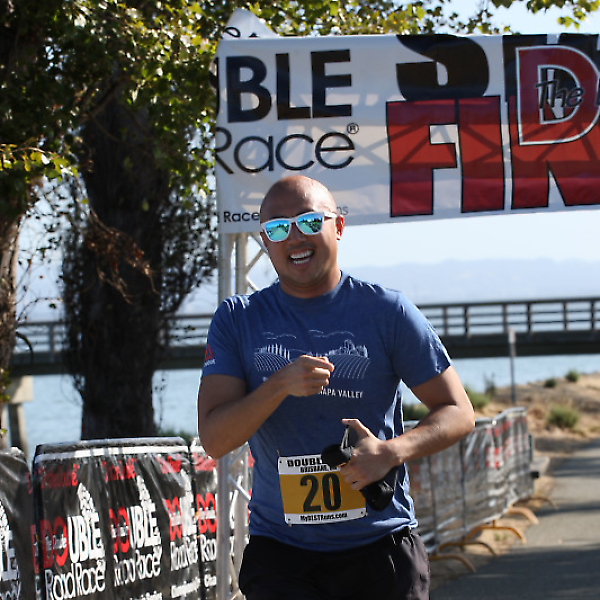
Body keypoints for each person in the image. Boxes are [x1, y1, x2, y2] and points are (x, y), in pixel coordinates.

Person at [197, 175, 475, 600]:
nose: (294, 238)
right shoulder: (238, 318)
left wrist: (391, 452)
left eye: (309, 222)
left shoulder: (387, 311)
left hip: (380, 547)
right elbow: (215, 439)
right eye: (278, 229)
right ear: (265, 242)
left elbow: (458, 411)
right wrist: (278, 386)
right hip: (282, 556)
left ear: (338, 227)